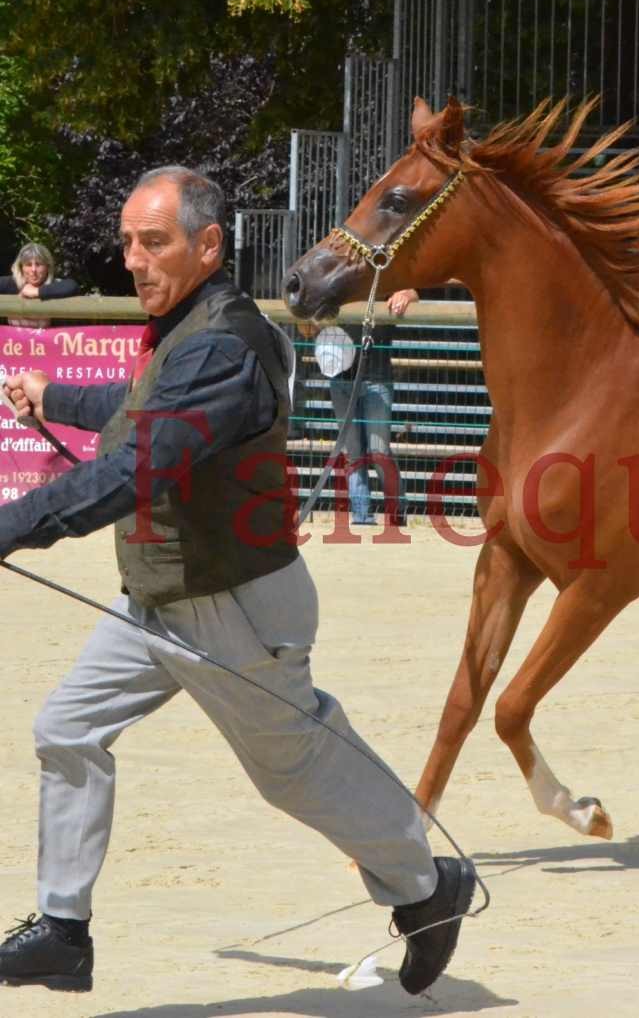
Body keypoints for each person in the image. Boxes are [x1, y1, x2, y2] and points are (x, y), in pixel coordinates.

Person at [0, 167, 472, 996]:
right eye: (128, 243)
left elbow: (143, 461)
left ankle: (430, 886)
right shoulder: (186, 332)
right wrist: (52, 392)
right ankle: (64, 932)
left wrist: (9, 525)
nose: (135, 261)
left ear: (209, 245)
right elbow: (136, 403)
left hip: (233, 608)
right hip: (159, 597)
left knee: (294, 771)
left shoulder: (224, 346)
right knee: (66, 729)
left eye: (156, 242)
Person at [316, 289, 409, 525]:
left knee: (379, 453)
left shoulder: (383, 282)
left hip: (377, 380)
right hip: (341, 379)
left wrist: (407, 295)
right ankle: (361, 515)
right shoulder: (340, 291)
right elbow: (308, 329)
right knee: (353, 453)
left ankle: (397, 512)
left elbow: (411, 290)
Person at [2, 243, 81, 329]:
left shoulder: (54, 284)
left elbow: (73, 286)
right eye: (28, 264)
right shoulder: (10, 283)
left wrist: (36, 291)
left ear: (47, 266)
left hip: (45, 341)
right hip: (11, 342)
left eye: (39, 264)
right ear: (21, 267)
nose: (33, 270)